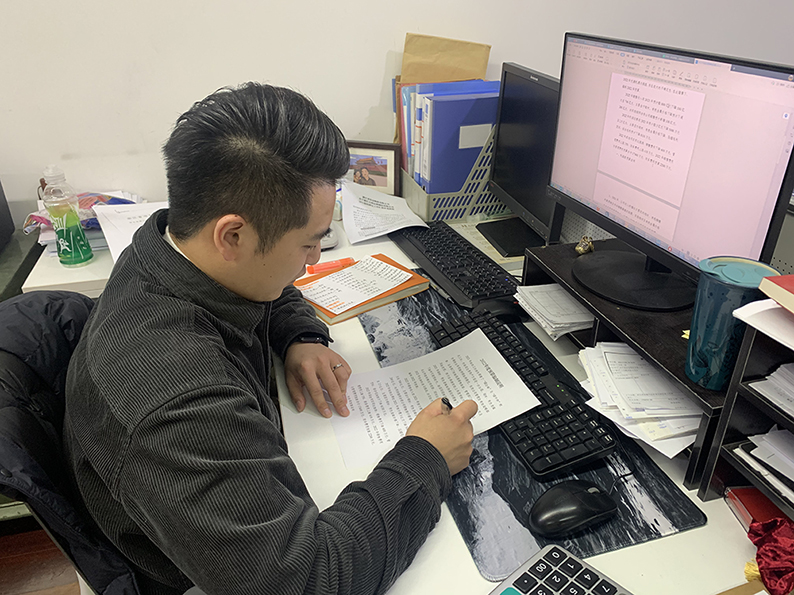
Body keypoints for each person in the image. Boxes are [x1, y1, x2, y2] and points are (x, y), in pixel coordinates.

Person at [63, 82, 478, 595]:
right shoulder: (177, 403)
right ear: (232, 235)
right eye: (309, 243)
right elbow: (310, 581)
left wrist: (298, 335)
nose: (316, 260)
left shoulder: (170, 247)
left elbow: (262, 284)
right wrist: (426, 459)